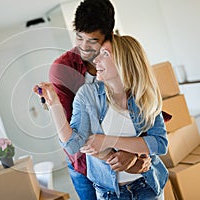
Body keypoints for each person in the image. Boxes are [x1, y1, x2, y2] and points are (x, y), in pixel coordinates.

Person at [35, 34, 168, 199]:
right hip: (111, 193)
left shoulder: (145, 95)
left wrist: (109, 141)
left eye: (105, 54)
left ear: (123, 61)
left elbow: (160, 144)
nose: (96, 60)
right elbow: (72, 145)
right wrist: (54, 104)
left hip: (148, 185)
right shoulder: (88, 95)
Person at [48, 0, 151, 199]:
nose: (84, 48)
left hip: (130, 151)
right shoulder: (62, 69)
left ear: (109, 35)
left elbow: (145, 108)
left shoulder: (124, 56)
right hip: (87, 163)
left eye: (93, 40)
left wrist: (139, 156)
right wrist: (124, 159)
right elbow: (74, 134)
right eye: (79, 38)